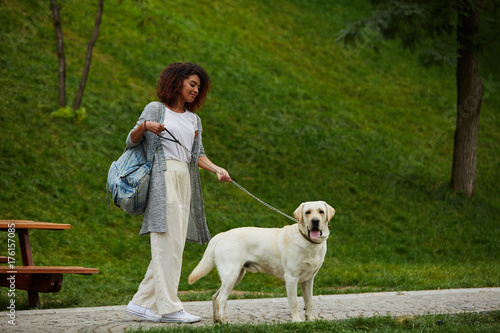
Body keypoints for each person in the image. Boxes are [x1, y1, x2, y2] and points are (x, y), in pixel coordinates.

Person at [125, 62, 231, 324]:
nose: (196, 90)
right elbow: (131, 140)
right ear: (177, 82)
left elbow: (197, 155)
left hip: (185, 179)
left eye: (199, 87)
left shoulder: (194, 119)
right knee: (167, 242)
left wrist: (217, 169)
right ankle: (170, 308)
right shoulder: (155, 109)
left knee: (173, 243)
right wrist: (146, 126)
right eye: (191, 84)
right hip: (163, 177)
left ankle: (140, 304)